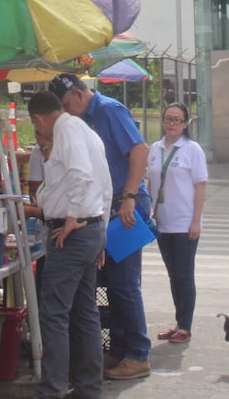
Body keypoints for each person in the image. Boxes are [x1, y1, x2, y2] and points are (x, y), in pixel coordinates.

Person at [49, 73, 152, 381]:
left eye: (68, 106)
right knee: (110, 282)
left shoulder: (108, 110)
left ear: (80, 95)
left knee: (124, 283)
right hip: (108, 207)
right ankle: (120, 349)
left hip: (126, 205)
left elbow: (140, 151)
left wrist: (130, 197)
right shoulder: (82, 121)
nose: (67, 113)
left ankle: (138, 353)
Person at [28, 90, 113, 399]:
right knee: (83, 312)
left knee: (54, 313)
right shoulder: (85, 132)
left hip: (75, 231)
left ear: (39, 119)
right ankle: (88, 387)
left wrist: (72, 218)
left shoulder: (66, 128)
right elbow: (104, 184)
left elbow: (82, 175)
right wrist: (98, 229)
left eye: (37, 130)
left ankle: (51, 388)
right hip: (89, 228)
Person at [146, 102, 207, 344]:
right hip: (162, 222)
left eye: (177, 120)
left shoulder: (192, 150)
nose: (171, 124)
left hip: (184, 223)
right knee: (173, 275)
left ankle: (185, 325)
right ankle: (178, 321)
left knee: (184, 275)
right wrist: (148, 211)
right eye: (168, 119)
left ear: (185, 124)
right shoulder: (155, 148)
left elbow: (200, 186)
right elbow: (150, 183)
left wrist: (196, 221)